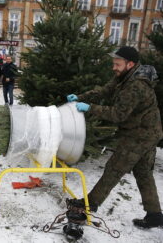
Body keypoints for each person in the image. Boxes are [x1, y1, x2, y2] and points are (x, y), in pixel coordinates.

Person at [67, 46, 163, 229]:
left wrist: (90, 108)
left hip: (141, 134)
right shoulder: (125, 77)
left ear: (130, 64)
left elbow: (118, 115)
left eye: (117, 64)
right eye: (113, 63)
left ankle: (89, 204)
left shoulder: (136, 86)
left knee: (114, 168)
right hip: (147, 132)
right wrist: (79, 97)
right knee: (143, 174)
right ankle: (155, 215)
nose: (114, 67)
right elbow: (104, 91)